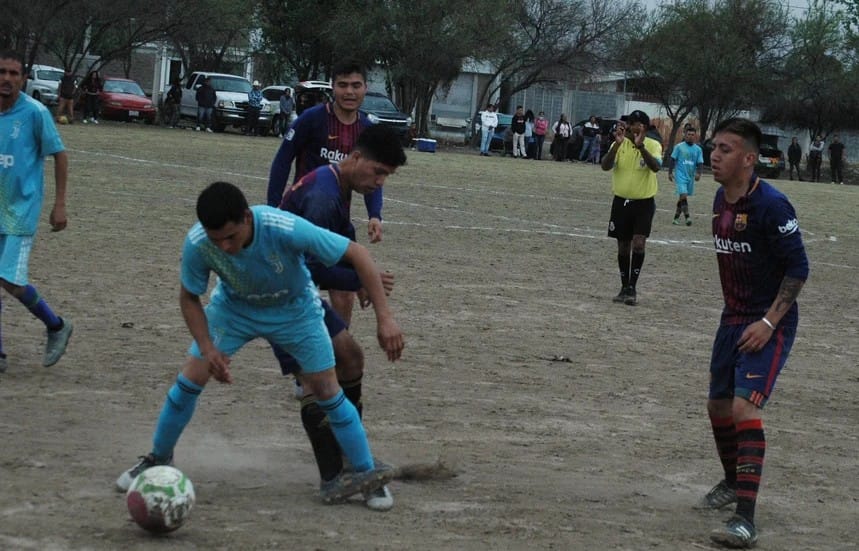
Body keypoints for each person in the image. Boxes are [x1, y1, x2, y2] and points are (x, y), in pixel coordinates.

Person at [114, 181, 403, 505]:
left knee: (326, 390)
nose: (223, 247)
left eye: (230, 237)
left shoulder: (282, 227)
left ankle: (367, 475)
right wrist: (208, 349)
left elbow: (358, 254)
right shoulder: (198, 243)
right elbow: (189, 297)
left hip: (296, 311)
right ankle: (158, 458)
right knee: (188, 380)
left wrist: (386, 318)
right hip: (234, 311)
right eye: (216, 239)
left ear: (247, 219)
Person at [276, 124, 406, 510]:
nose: (379, 182)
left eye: (387, 177)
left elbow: (343, 240)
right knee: (321, 378)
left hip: (295, 290)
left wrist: (360, 279)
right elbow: (314, 267)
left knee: (350, 357)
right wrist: (360, 280)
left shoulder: (336, 184)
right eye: (378, 172)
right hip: (276, 295)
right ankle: (334, 475)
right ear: (356, 158)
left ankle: (351, 457)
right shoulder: (321, 195)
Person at [698, 118, 809, 549]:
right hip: (732, 318)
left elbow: (799, 268)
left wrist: (768, 322)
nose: (715, 155)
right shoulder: (719, 200)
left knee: (744, 411)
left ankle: (745, 520)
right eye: (714, 147)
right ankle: (731, 481)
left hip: (768, 321)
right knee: (717, 407)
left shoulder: (773, 206)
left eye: (725, 149)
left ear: (748, 157)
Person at [268, 59, 383, 327]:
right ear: (333, 87)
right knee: (301, 287)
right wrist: (273, 208)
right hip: (304, 218)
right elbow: (283, 160)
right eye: (342, 85)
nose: (349, 92)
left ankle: (336, 350)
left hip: (338, 222)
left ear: (366, 88)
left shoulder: (367, 130)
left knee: (344, 295)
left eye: (356, 85)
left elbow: (371, 175)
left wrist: (375, 215)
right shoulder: (312, 119)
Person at [0, 50, 74, 374]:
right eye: (2, 72)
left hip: (20, 210)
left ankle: (56, 325)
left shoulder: (35, 113)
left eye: (14, 73)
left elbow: (59, 155)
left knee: (11, 282)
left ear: (24, 79)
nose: (7, 79)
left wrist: (59, 204)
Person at [600, 110, 662, 306]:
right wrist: (616, 146)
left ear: (644, 127)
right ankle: (624, 286)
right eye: (629, 123)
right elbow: (605, 166)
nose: (631, 127)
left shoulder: (653, 145)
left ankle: (632, 288)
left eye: (636, 124)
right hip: (621, 202)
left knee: (639, 242)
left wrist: (641, 146)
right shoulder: (618, 143)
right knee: (623, 244)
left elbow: (655, 167)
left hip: (643, 202)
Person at [668, 125, 704, 226]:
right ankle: (687, 217)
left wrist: (699, 173)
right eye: (688, 134)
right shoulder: (679, 147)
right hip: (680, 175)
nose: (690, 136)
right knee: (683, 195)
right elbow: (672, 159)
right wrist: (670, 172)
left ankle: (675, 218)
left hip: (690, 176)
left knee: (682, 197)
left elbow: (700, 163)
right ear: (685, 134)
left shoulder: (698, 149)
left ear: (695, 136)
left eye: (693, 135)